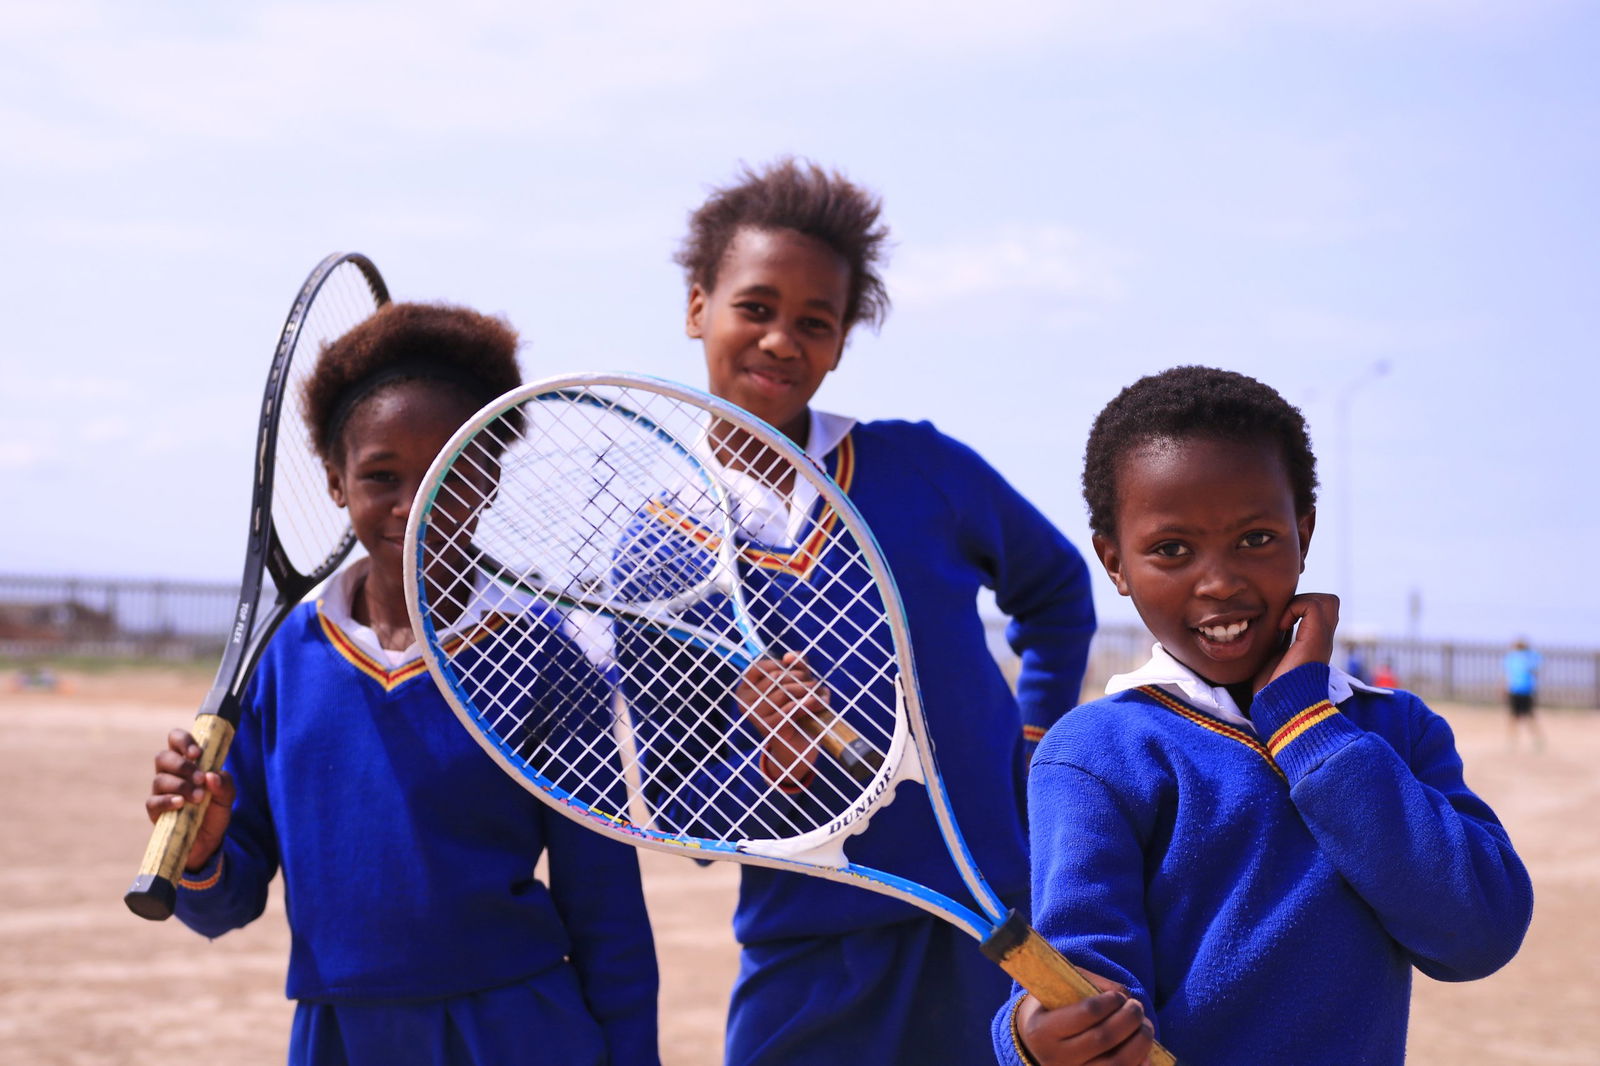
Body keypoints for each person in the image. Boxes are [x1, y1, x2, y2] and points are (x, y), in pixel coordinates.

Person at [653, 157, 1097, 1064]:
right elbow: (673, 792)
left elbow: (1055, 589)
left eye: (815, 322)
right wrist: (765, 775)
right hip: (806, 938)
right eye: (756, 307)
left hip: (990, 915)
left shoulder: (919, 469)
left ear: (842, 342)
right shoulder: (657, 548)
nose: (782, 339)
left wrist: (1033, 736)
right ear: (698, 306)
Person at [143, 303, 659, 1066]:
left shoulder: (549, 658)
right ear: (334, 482)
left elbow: (605, 907)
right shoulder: (284, 661)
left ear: (489, 475)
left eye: (449, 474)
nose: (415, 506)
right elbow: (225, 904)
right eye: (382, 476)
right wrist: (203, 848)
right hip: (339, 1036)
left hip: (514, 1032)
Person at [995, 366, 1533, 1066]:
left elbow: (1480, 930)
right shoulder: (1096, 754)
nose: (1219, 581)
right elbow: (1085, 980)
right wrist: (1037, 1039)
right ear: (1114, 562)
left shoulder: (1393, 730)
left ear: (1302, 533)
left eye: (1255, 539)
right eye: (1171, 550)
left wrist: (1307, 727)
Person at [1504, 638, 1544, 751]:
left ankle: (1535, 740)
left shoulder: (1527, 657)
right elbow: (1508, 675)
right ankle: (1513, 740)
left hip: (1522, 690)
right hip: (1519, 690)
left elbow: (1536, 669)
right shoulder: (1513, 657)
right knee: (1518, 717)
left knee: (1523, 717)